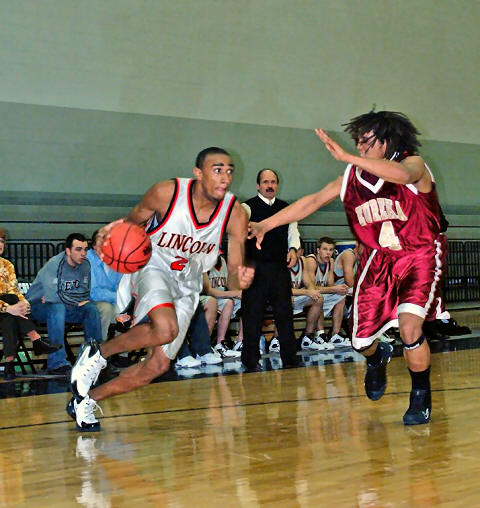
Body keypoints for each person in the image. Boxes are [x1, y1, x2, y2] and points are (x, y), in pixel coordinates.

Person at [249, 111, 444, 425]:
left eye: (367, 141)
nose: (360, 147)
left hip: (419, 255)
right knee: (360, 341)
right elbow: (312, 202)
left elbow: (403, 176)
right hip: (379, 261)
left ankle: (420, 394)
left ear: (387, 140)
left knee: (410, 328)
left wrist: (349, 157)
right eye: (358, 142)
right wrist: (266, 224)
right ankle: (377, 357)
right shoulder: (351, 179)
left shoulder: (414, 164)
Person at [68, 147, 254, 431]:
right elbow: (131, 223)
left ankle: (86, 400)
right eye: (217, 170)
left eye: (230, 171)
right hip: (153, 265)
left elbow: (233, 271)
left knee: (157, 366)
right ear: (198, 173)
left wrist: (240, 278)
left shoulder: (235, 213)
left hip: (188, 282)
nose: (225, 177)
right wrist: (110, 233)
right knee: (166, 330)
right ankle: (100, 353)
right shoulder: (166, 193)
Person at [240, 168, 301, 371]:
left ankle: (290, 358)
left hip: (279, 270)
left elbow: (293, 232)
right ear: (258, 185)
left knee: (285, 314)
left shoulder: (286, 208)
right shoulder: (246, 207)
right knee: (252, 315)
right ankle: (250, 360)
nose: (269, 185)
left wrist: (293, 249)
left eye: (273, 182)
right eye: (266, 182)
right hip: (254, 270)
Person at [27, 233, 103, 375]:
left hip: (66, 306)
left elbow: (84, 294)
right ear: (68, 251)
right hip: (36, 307)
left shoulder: (85, 265)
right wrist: (72, 300)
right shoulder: (54, 264)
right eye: (78, 249)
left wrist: (68, 299)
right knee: (57, 307)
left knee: (91, 308)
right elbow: (52, 297)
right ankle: (57, 363)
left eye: (85, 249)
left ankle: (93, 359)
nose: (83, 253)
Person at [0, 228, 60, 379]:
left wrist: (23, 303)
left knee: (10, 317)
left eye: (1, 241)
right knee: (10, 303)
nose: (0, 245)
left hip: (6, 312)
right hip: (4, 306)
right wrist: (8, 307)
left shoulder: (7, 265)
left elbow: (14, 290)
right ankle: (36, 339)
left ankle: (9, 366)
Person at [303, 237, 350, 349]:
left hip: (319, 295)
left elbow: (330, 285)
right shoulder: (311, 261)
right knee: (319, 296)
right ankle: (320, 335)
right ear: (318, 250)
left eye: (331, 250)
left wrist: (341, 289)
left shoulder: (331, 262)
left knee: (341, 296)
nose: (328, 253)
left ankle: (334, 335)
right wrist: (334, 289)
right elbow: (311, 288)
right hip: (305, 297)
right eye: (325, 249)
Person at [86, 230, 123, 342]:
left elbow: (123, 286)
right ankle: (98, 347)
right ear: (94, 246)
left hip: (112, 300)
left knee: (126, 311)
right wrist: (118, 296)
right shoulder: (87, 260)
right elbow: (93, 293)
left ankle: (120, 349)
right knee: (106, 309)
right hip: (87, 302)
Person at [204, 256, 243, 358]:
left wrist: (239, 291)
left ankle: (240, 342)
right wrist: (234, 293)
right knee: (228, 302)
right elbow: (208, 291)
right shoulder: (203, 259)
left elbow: (226, 285)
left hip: (221, 297)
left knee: (246, 301)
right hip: (208, 297)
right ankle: (219, 343)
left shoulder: (222, 260)